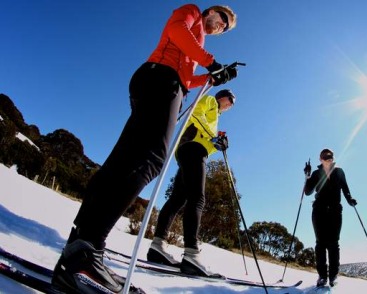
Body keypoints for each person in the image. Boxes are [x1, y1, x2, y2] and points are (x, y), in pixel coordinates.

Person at [51, 4, 238, 293]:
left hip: (162, 80)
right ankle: (88, 249)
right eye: (221, 19)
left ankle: (78, 247)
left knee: (124, 161)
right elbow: (177, 32)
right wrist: (211, 62)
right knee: (150, 159)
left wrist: (212, 78)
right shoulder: (191, 13)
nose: (220, 27)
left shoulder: (196, 45)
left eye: (225, 29)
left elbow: (188, 78)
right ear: (211, 11)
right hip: (162, 80)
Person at [146, 89, 235, 277]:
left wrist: (218, 144)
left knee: (178, 198)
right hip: (193, 150)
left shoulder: (216, 116)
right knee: (197, 198)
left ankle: (157, 246)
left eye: (232, 103)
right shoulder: (211, 101)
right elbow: (196, 114)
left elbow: (206, 138)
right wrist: (213, 136)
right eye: (230, 99)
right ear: (222, 96)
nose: (231, 104)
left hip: (190, 150)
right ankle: (191, 254)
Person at [304, 148, 357, 287]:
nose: (329, 159)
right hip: (319, 211)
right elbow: (308, 192)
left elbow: (345, 188)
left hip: (335, 211)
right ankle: (322, 276)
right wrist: (307, 175)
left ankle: (333, 276)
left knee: (333, 243)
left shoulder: (339, 172)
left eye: (331, 157)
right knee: (320, 244)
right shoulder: (316, 173)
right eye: (326, 157)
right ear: (321, 159)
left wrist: (350, 199)